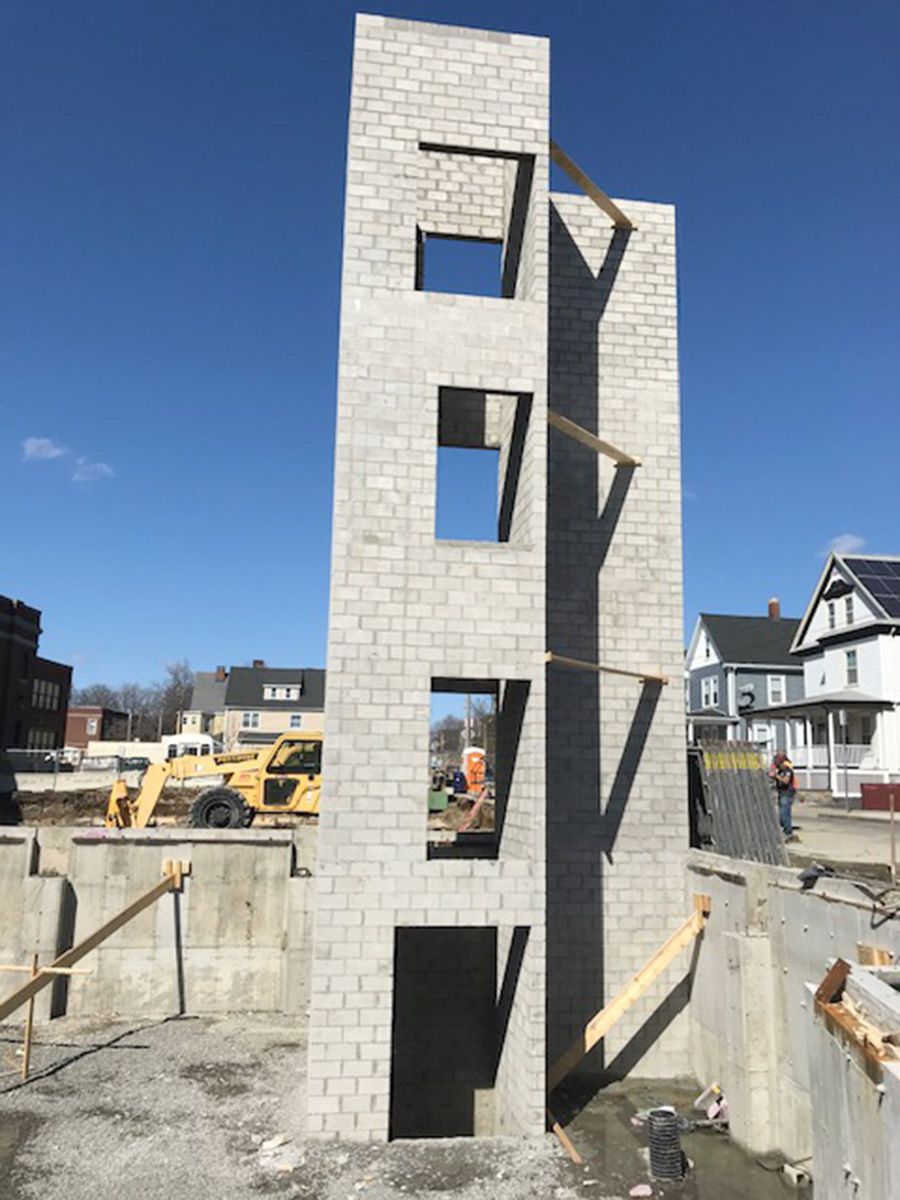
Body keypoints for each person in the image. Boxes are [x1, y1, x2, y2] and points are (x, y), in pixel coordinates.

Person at [770, 751, 797, 838]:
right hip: (781, 793)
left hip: (787, 794)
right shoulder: (780, 770)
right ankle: (785, 829)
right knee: (782, 815)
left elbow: (786, 781)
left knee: (784, 814)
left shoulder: (787, 770)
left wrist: (776, 776)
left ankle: (788, 832)